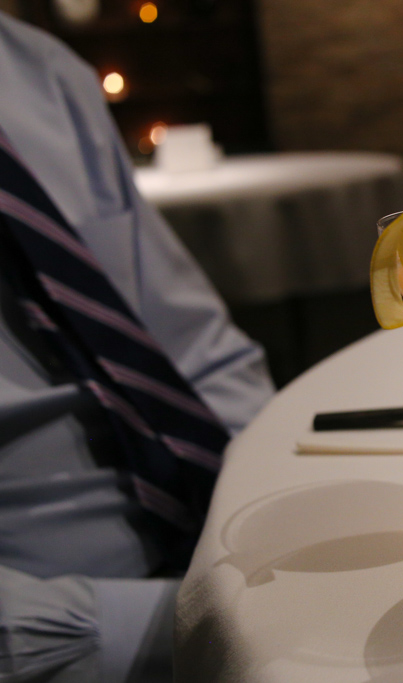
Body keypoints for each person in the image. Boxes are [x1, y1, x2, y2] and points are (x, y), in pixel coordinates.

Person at [0, 10, 276, 682]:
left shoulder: (38, 70)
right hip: (80, 621)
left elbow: (196, 344)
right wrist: (190, 622)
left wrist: (273, 496)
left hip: (228, 541)